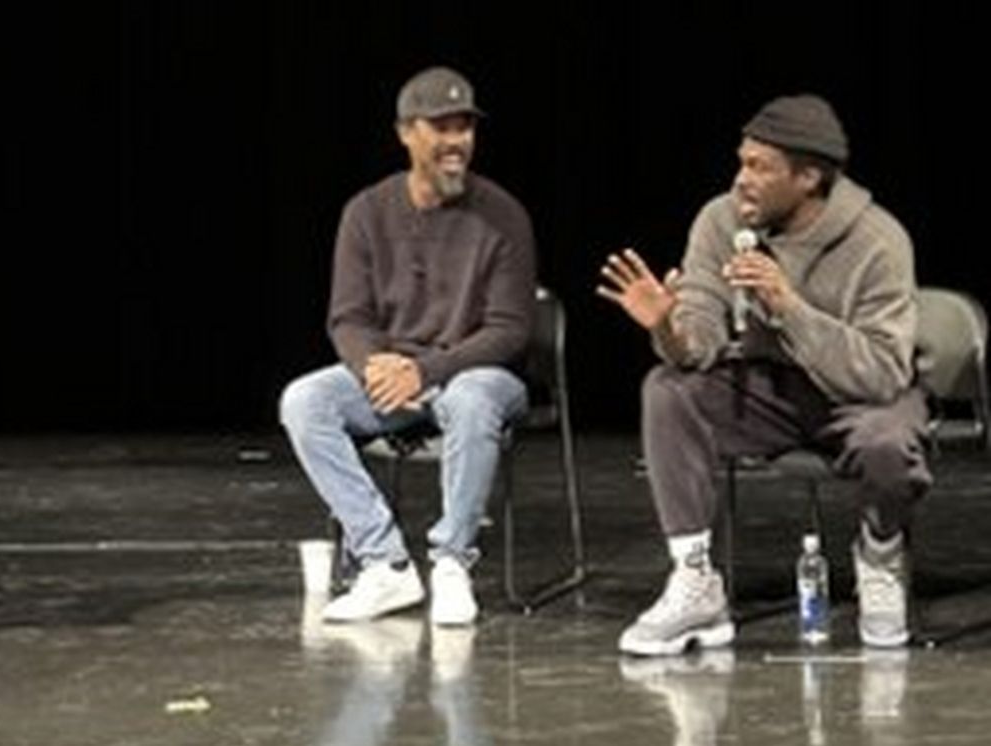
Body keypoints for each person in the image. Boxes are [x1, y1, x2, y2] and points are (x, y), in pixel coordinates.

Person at [598, 94, 928, 655]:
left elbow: (882, 375)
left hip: (860, 398)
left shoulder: (877, 240)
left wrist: (790, 307)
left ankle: (880, 553)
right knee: (668, 390)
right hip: (768, 393)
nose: (741, 179)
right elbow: (697, 345)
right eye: (741, 161)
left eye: (760, 167)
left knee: (889, 443)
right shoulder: (719, 220)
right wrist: (667, 330)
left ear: (808, 177)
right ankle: (696, 579)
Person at [280, 66, 535, 626]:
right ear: (405, 134)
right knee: (305, 401)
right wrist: (377, 367)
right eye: (440, 127)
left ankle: (451, 564)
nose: (456, 141)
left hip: (478, 371)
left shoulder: (504, 216)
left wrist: (426, 369)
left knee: (471, 400)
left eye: (464, 126)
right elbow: (348, 317)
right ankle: (384, 563)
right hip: (395, 376)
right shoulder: (366, 213)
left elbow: (512, 329)